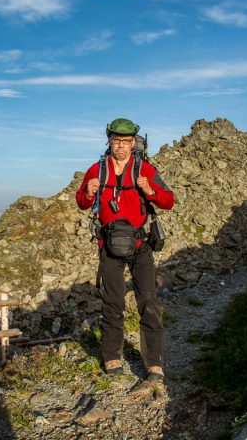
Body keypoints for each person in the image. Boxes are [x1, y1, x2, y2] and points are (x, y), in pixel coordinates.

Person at [76, 118, 174, 383]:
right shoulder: (96, 170)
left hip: (140, 245)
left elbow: (169, 201)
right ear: (109, 140)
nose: (121, 146)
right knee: (112, 302)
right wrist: (87, 191)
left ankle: (154, 363)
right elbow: (82, 203)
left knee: (148, 301)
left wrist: (149, 189)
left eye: (126, 141)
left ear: (134, 143)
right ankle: (112, 356)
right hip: (108, 245)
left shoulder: (146, 170)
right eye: (116, 141)